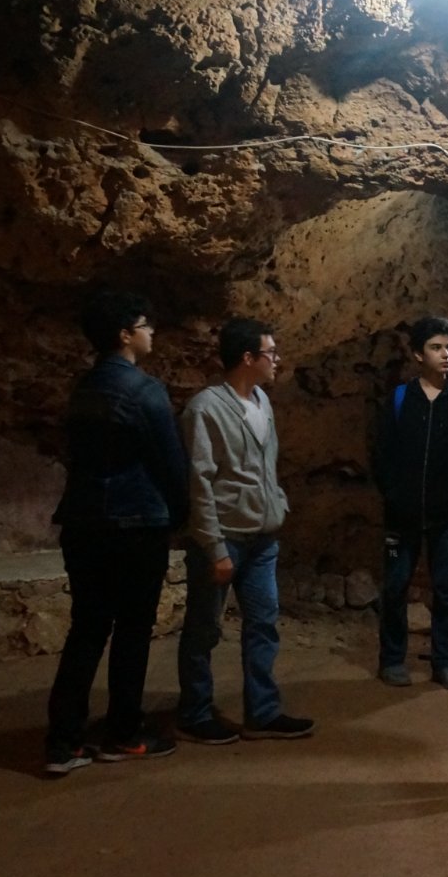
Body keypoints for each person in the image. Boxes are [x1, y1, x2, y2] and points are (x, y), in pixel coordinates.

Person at [43, 290, 189, 775]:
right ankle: (123, 733)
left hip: (83, 523)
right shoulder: (144, 391)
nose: (152, 332)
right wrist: (182, 514)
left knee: (86, 629)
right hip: (134, 524)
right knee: (132, 631)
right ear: (125, 335)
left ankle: (63, 742)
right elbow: (169, 462)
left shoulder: (83, 388)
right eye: (145, 325)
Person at [174, 318, 315, 743]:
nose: (277, 359)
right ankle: (195, 713)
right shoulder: (205, 409)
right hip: (225, 538)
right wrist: (214, 546)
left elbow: (263, 465)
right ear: (248, 358)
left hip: (262, 538)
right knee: (204, 629)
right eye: (271, 352)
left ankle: (263, 712)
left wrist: (277, 503)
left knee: (263, 624)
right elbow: (199, 482)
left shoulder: (262, 401)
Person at [372, 316, 448, 690]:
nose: (446, 354)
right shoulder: (399, 399)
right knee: (395, 586)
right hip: (401, 516)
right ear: (417, 354)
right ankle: (392, 659)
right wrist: (392, 493)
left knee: (446, 588)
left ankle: (445, 661)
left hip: (447, 515)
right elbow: (380, 451)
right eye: (436, 347)